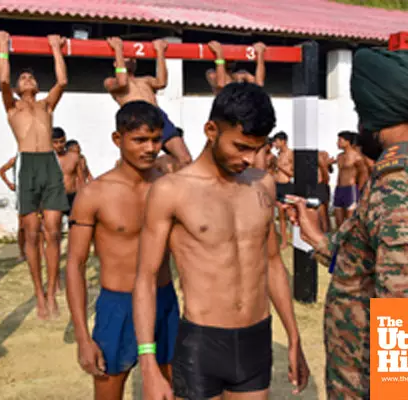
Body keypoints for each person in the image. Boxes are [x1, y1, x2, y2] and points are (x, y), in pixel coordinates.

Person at [284, 48, 408, 399]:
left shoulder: (405, 179)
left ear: (375, 113)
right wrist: (318, 238)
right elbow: (373, 265)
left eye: (360, 111)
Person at [133, 83, 309, 400]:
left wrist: (294, 337)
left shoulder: (263, 184)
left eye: (256, 148)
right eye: (240, 146)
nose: (249, 158)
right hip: (203, 342)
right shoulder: (172, 191)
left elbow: (272, 263)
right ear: (211, 130)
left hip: (256, 336)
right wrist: (148, 362)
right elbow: (146, 277)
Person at [66, 101, 179, 399]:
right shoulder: (94, 194)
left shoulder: (170, 186)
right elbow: (75, 265)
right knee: (108, 390)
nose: (150, 148)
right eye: (140, 140)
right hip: (118, 306)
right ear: (118, 140)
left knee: (169, 389)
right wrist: (81, 336)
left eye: (156, 139)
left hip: (163, 299)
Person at [0, 30, 69, 319]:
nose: (28, 80)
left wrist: (55, 48)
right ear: (16, 86)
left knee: (53, 230)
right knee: (33, 233)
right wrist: (2, 46)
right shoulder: (12, 107)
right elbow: (2, 79)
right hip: (27, 163)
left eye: (31, 78)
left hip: (49, 162)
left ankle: (51, 291)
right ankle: (38, 292)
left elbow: (62, 81)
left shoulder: (46, 105)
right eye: (22, 78)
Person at [104, 37, 192, 167]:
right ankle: (127, 165)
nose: (131, 59)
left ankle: (153, 165)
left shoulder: (145, 80)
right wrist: (118, 50)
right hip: (136, 118)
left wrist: (160, 53)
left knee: (185, 159)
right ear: (116, 63)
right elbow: (122, 81)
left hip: (156, 116)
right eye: (125, 57)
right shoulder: (110, 82)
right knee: (139, 163)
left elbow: (161, 82)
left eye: (133, 58)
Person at [330, 131, 368, 228]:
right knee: (338, 221)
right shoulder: (339, 156)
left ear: (347, 142)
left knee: (350, 222)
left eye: (340, 140)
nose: (337, 143)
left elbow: (364, 173)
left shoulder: (356, 156)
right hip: (339, 190)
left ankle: (351, 243)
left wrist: (358, 189)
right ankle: (340, 243)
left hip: (350, 190)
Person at [0, 155, 26, 261]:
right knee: (22, 225)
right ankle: (22, 253)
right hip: (22, 196)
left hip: (36, 195)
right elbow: (1, 171)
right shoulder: (16, 159)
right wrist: (9, 184)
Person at [53, 127, 82, 216]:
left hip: (72, 196)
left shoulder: (74, 157)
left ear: (65, 140)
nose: (59, 145)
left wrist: (82, 197)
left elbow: (81, 179)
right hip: (54, 197)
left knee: (75, 224)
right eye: (55, 142)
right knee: (53, 227)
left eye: (62, 141)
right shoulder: (47, 159)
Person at [272, 131, 293, 249]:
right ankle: (284, 242)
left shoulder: (290, 154)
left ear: (283, 141)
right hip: (278, 186)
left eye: (277, 141)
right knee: (281, 216)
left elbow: (293, 173)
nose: (275, 144)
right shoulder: (278, 155)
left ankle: (297, 240)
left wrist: (281, 167)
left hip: (287, 186)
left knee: (291, 214)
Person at [317, 150, 332, 233]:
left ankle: (326, 235)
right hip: (322, 186)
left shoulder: (321, 154)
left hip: (321, 186)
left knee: (322, 215)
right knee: (324, 214)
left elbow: (327, 176)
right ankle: (327, 234)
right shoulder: (322, 153)